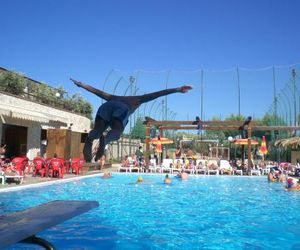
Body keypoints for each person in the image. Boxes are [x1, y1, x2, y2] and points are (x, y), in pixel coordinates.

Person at [71, 78, 192, 162]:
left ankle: (91, 137)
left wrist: (82, 85)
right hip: (121, 109)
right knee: (117, 132)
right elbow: (157, 94)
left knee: (97, 131)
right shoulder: (137, 99)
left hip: (106, 107)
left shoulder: (113, 97)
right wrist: (177, 89)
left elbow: (98, 92)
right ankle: (106, 139)